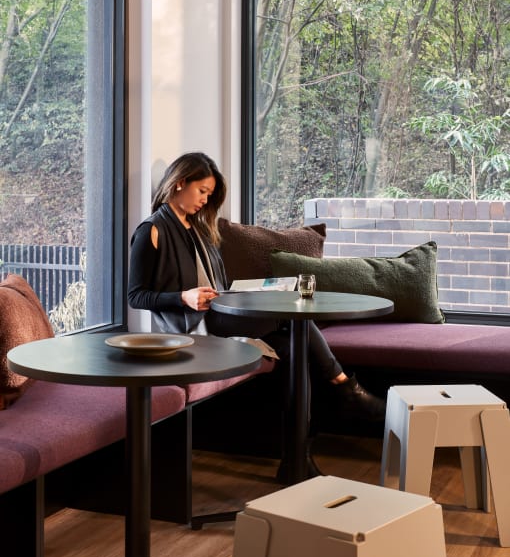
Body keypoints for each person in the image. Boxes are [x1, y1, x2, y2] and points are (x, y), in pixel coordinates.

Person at [127, 152, 385, 425]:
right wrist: (183, 297)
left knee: (293, 347)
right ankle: (347, 390)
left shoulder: (198, 229)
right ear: (179, 182)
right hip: (197, 327)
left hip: (220, 314)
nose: (205, 200)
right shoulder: (152, 230)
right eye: (202, 191)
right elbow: (136, 296)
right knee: (293, 314)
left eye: (209, 194)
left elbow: (219, 287)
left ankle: (298, 454)